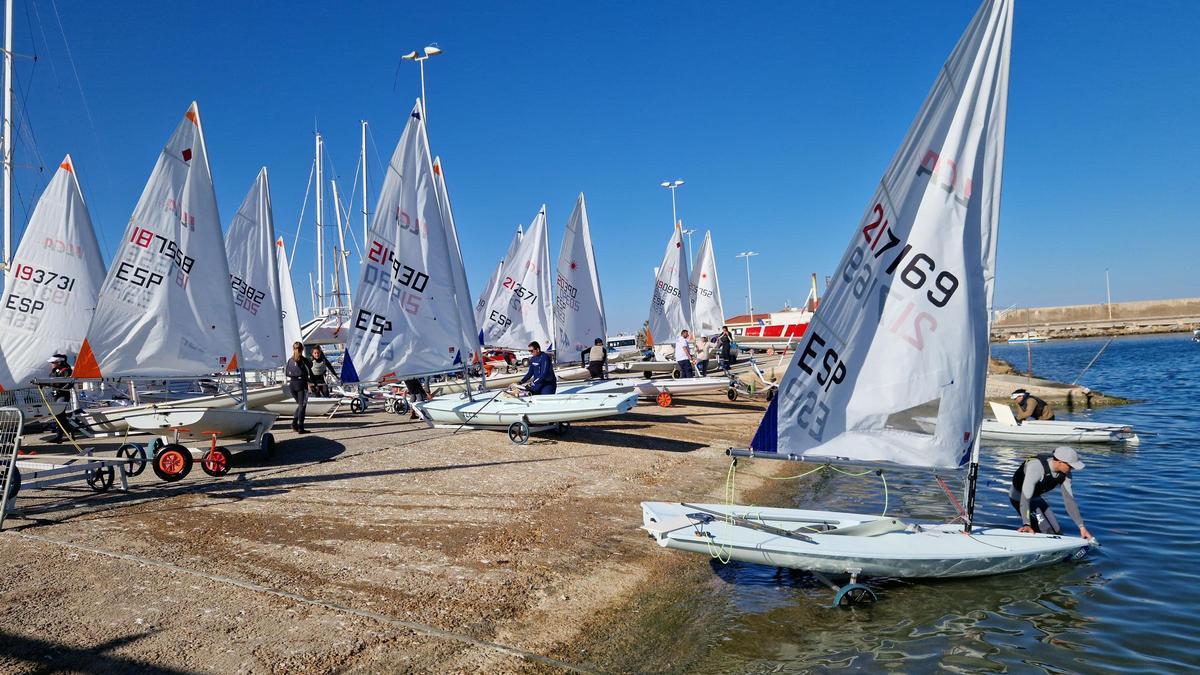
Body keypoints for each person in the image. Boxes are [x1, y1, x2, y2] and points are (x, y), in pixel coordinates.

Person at [1009, 446, 1092, 540]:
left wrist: (1082, 527)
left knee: (1057, 531)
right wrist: (1026, 523)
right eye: (1071, 466)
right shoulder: (1036, 467)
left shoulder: (1065, 474)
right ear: (1060, 462)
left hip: (1036, 497)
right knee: (1045, 530)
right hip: (1020, 498)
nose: (1072, 469)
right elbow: (1025, 498)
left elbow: (1069, 501)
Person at [47, 353, 75, 443]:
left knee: (59, 415)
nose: (51, 364)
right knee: (59, 415)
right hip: (56, 395)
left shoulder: (66, 370)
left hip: (63, 395)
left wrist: (61, 387)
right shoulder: (55, 371)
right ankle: (69, 431)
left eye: (53, 362)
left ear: (58, 362)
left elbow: (70, 383)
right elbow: (51, 381)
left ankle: (60, 436)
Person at [285, 342, 312, 433]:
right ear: (302, 349)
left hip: (292, 384)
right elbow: (310, 368)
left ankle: (294, 423)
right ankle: (300, 427)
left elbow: (287, 373)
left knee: (300, 405)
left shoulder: (290, 360)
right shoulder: (304, 360)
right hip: (301, 385)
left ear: (293, 349)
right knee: (302, 406)